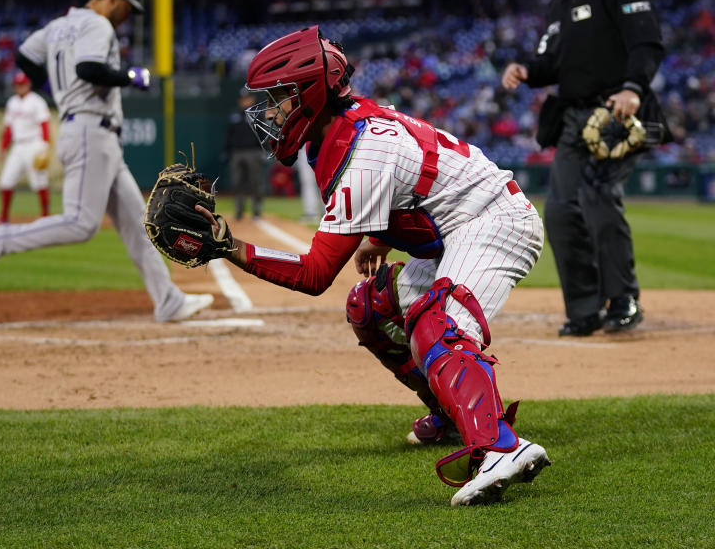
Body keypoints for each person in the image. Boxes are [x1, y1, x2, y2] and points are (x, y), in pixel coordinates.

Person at [193, 25, 550, 506]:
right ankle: (451, 410)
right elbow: (411, 180)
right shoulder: (342, 128)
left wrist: (232, 246)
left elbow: (314, 274)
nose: (269, 112)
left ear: (310, 94)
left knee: (437, 323)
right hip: (450, 230)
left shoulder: (362, 156)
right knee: (368, 306)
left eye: (278, 98)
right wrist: (381, 234)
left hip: (492, 220)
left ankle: (499, 447)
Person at [0, 0, 213, 323]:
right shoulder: (98, 24)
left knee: (137, 224)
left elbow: (23, 58)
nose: (127, 15)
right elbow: (89, 69)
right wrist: (130, 75)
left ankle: (168, 300)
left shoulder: (57, 26)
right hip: (89, 129)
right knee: (81, 224)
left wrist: (57, 89)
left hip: (93, 132)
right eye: (127, 6)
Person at [501, 0, 665, 336]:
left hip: (619, 113)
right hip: (575, 118)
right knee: (558, 210)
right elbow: (551, 62)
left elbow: (645, 37)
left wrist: (632, 88)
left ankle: (623, 299)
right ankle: (584, 309)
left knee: (597, 196)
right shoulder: (560, 1)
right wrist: (526, 70)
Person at [0, 71, 52, 223]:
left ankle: (46, 217)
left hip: (34, 143)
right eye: (17, 84)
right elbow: (8, 129)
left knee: (39, 182)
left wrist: (45, 146)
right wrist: (3, 148)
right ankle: (4, 217)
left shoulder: (37, 101)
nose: (20, 87)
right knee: (6, 181)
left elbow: (45, 125)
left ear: (28, 84)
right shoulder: (12, 102)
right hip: (18, 146)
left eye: (22, 84)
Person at [223, 88, 267, 220]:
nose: (245, 101)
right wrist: (226, 150)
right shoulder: (234, 116)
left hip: (253, 151)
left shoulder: (257, 114)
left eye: (247, 98)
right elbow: (228, 136)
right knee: (237, 182)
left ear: (252, 100)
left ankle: (257, 210)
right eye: (243, 99)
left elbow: (263, 134)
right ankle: (239, 210)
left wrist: (264, 150)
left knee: (256, 182)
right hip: (237, 152)